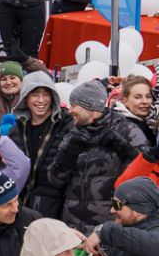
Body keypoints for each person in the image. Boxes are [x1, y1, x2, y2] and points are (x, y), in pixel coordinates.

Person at [48, 79, 146, 233]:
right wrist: (67, 154)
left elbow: (144, 177)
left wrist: (123, 149)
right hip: (72, 227)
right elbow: (55, 181)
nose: (70, 110)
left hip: (109, 228)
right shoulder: (73, 133)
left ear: (89, 107)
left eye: (74, 105)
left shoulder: (127, 131)